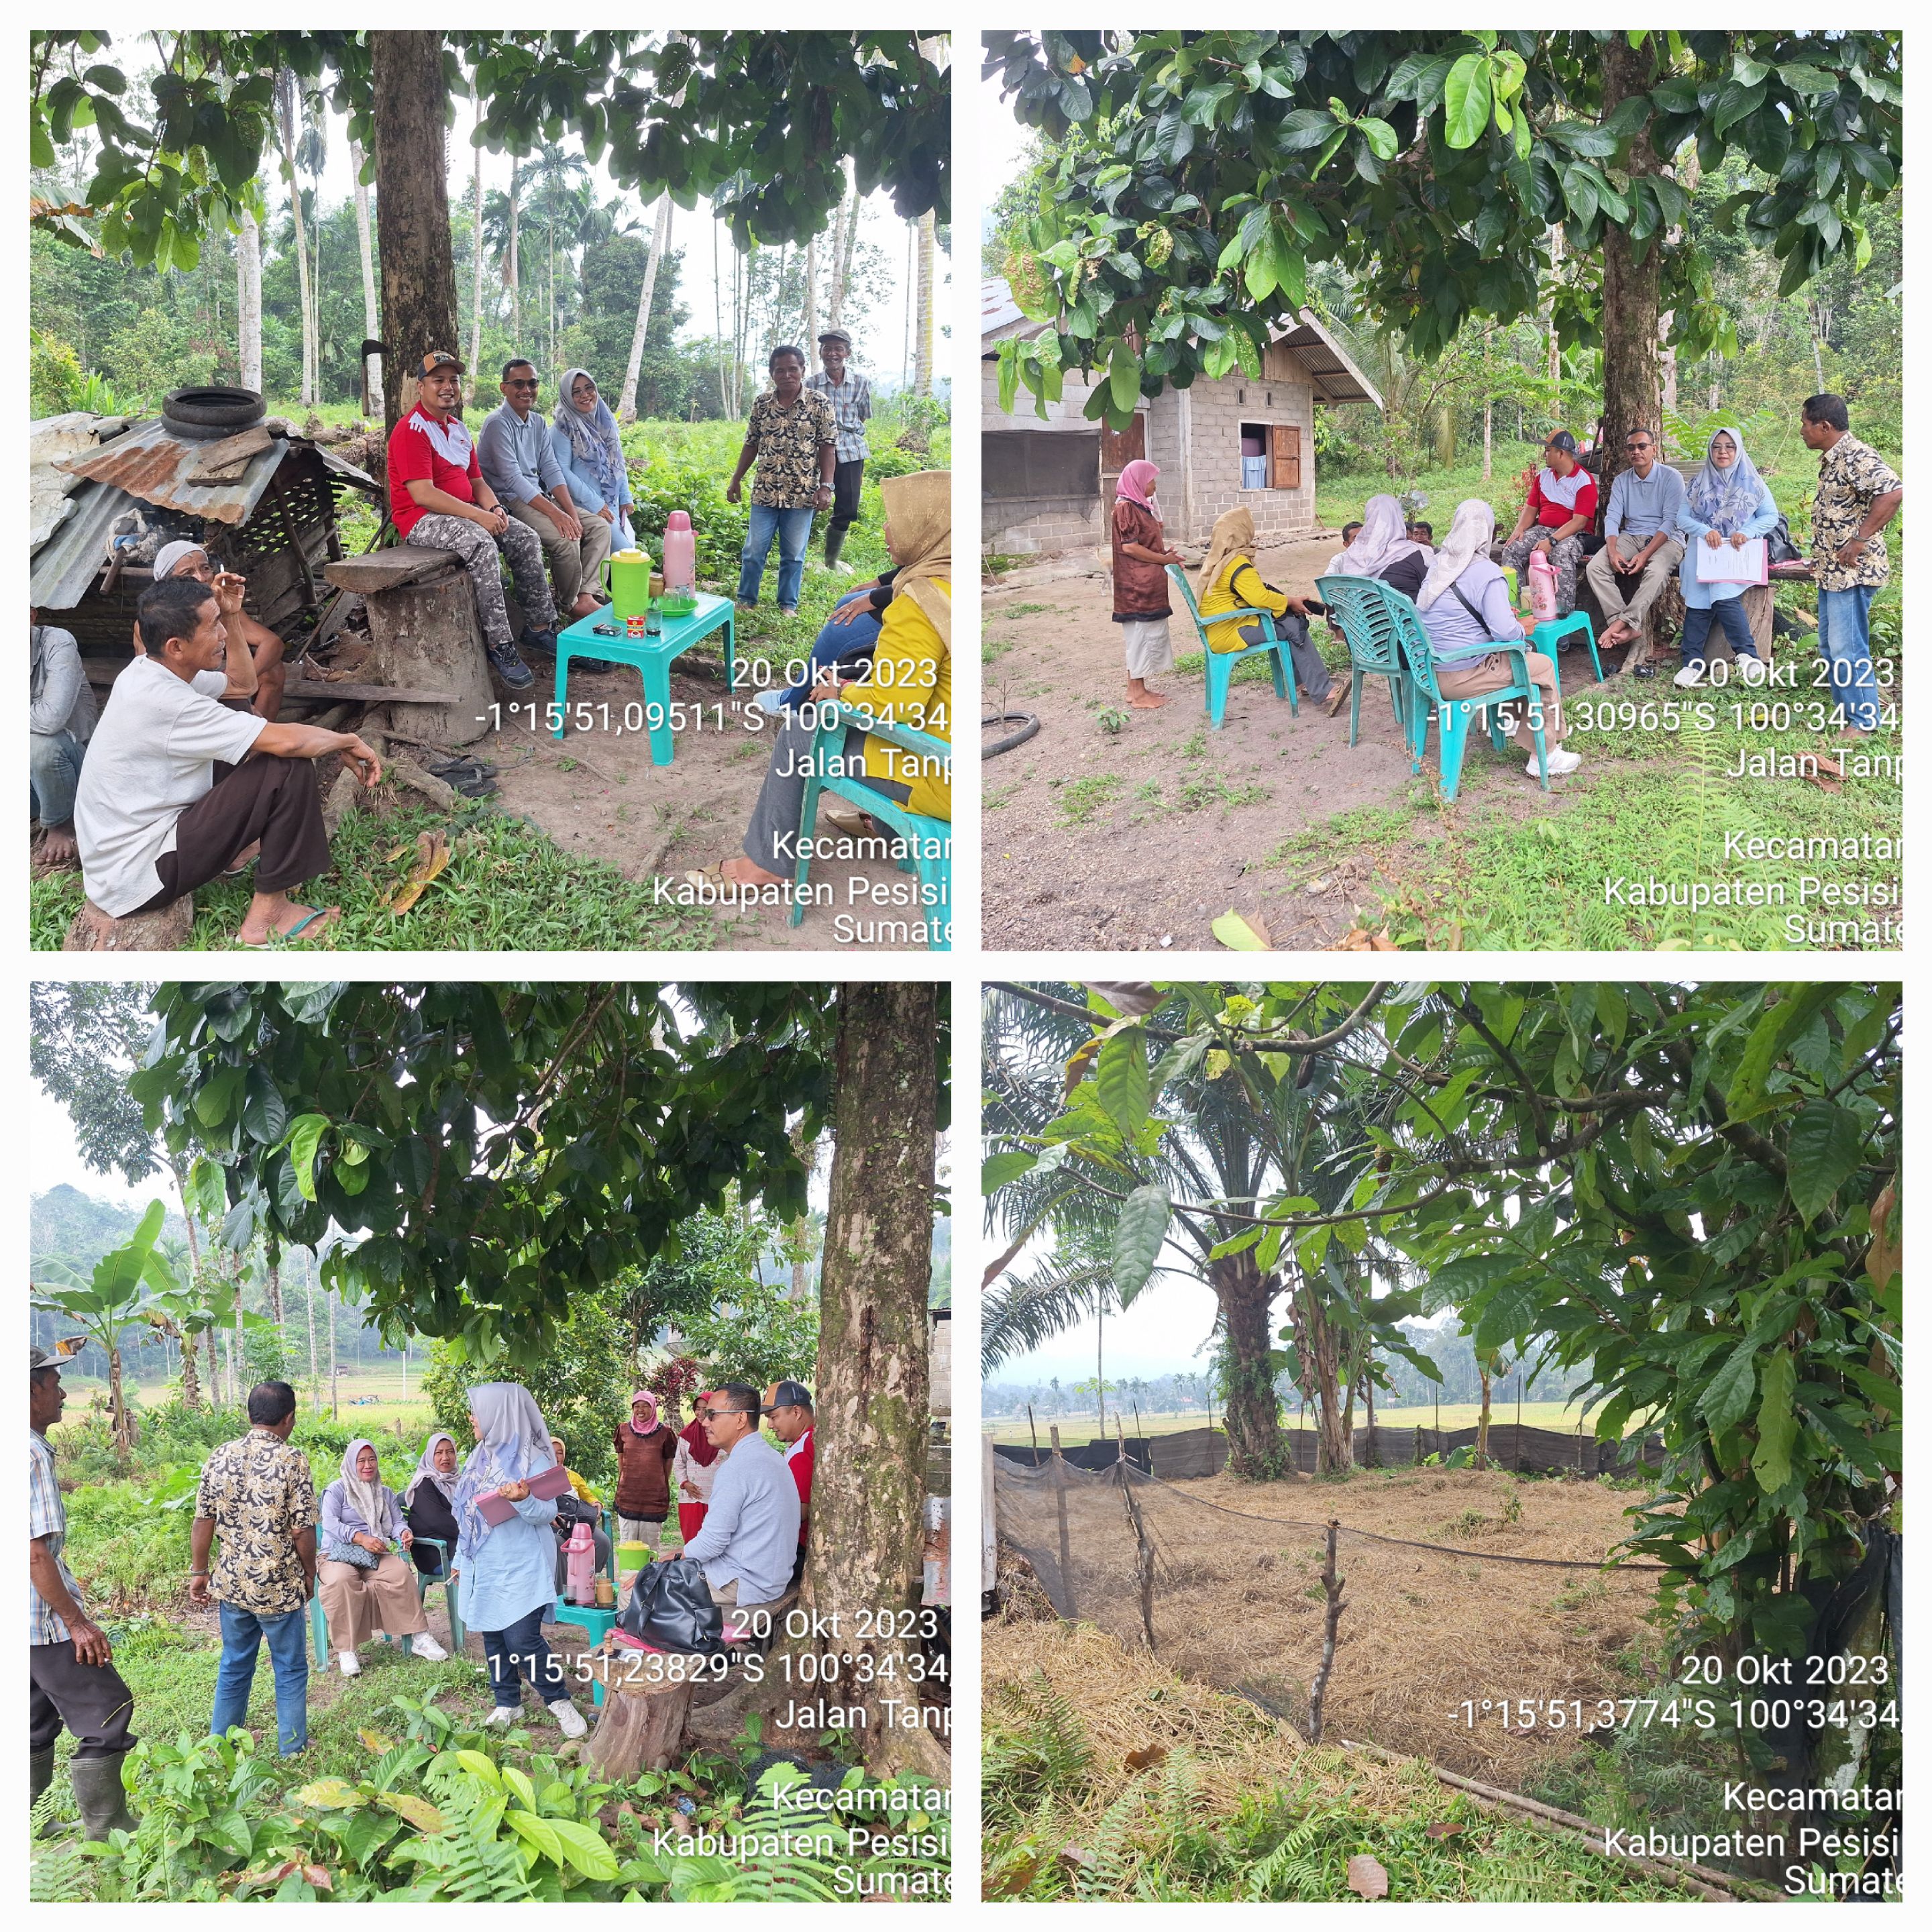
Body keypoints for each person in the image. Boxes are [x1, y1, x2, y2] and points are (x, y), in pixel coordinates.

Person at [72, 578, 382, 945]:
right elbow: (288, 743)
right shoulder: (166, 703)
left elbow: (241, 685)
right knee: (286, 765)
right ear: (176, 646)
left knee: (235, 706)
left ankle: (240, 848)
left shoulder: (148, 671)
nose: (221, 633)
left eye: (221, 621)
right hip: (138, 875)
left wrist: (233, 618)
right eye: (213, 626)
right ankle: (268, 917)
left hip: (124, 857)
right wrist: (346, 739)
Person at [698, 470, 949, 898]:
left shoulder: (919, 602)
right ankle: (887, 829)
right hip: (949, 749)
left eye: (897, 519)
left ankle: (767, 865)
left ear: (927, 528)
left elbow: (897, 703)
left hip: (940, 777)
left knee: (801, 731)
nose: (888, 529)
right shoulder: (950, 582)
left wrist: (841, 691)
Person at [386, 350, 557, 692]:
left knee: (525, 537)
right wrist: (480, 517)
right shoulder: (412, 430)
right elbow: (423, 494)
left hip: (465, 513)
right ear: (421, 387)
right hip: (423, 519)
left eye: (453, 380)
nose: (447, 387)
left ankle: (539, 628)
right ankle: (500, 644)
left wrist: (494, 509)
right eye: (438, 380)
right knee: (480, 542)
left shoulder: (459, 429)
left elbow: (478, 482)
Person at [31, 1346, 138, 1839]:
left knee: (31, 1718)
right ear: (31, 1391)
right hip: (40, 1617)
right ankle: (107, 1829)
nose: (63, 1393)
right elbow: (34, 1554)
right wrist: (76, 1622)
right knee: (107, 1709)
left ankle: (25, 1824)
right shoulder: (29, 1454)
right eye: (54, 1384)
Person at [189, 1381, 317, 1758]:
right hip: (279, 1587)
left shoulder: (219, 1456)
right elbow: (302, 1529)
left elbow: (203, 1521)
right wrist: (309, 1573)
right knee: (290, 1669)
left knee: (234, 1664)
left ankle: (220, 1746)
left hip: (232, 1586)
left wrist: (199, 1571)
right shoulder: (293, 1460)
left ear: (249, 1416)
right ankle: (292, 1749)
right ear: (290, 1418)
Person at [452, 1384, 586, 1736]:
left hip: (522, 1562)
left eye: (477, 1411)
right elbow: (467, 1516)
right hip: (485, 1562)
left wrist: (523, 1499)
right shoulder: (478, 1456)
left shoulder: (533, 1459)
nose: (472, 1418)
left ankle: (559, 1701)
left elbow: (548, 1514)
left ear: (499, 1414)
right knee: (493, 1634)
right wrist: (459, 1559)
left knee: (523, 1639)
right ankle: (507, 1702)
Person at [1415, 498, 1579, 781]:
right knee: (1542, 665)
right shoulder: (1487, 572)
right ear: (1488, 532)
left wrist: (1500, 613)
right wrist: (1521, 627)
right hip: (1465, 675)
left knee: (1515, 662)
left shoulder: (1439, 564)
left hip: (1430, 672)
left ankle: (1513, 724)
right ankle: (1546, 754)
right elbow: (1505, 634)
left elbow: (1457, 616)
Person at [1800, 392, 1902, 738]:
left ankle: (1864, 722)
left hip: (1854, 572)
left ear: (1824, 426)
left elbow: (1893, 492)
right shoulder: (1834, 459)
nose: (1802, 430)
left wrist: (1860, 539)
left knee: (1848, 647)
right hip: (1833, 572)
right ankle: (1851, 713)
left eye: (1805, 423)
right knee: (1832, 646)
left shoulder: (1856, 456)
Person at [478, 360, 607, 623]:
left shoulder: (537, 422)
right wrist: (558, 516)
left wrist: (570, 512)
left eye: (532, 383)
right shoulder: (497, 424)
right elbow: (513, 479)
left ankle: (586, 594)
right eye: (519, 384)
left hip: (536, 494)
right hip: (508, 500)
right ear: (504, 388)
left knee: (598, 527)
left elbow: (551, 470)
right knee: (565, 540)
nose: (527, 389)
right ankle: (569, 604)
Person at [317, 1439, 445, 1676]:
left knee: (399, 1572)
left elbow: (396, 1522)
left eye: (372, 1459)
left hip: (375, 1554)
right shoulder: (336, 1490)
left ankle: (419, 1637)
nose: (368, 1465)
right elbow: (331, 1524)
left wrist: (403, 1533)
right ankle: (347, 1649)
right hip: (338, 1556)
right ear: (350, 1463)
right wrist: (360, 1538)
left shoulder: (383, 1492)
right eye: (361, 1461)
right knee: (341, 1582)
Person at [727, 345, 837, 616]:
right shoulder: (762, 404)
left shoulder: (820, 403)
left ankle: (788, 604)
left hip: (802, 493)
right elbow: (751, 444)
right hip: (765, 491)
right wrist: (736, 479)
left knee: (794, 554)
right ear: (772, 373)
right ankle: (747, 600)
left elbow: (828, 447)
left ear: (802, 370)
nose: (787, 374)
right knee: (754, 550)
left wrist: (826, 486)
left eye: (792, 369)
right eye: (780, 370)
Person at [1195, 506, 1339, 712]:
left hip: (1219, 628)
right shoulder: (1238, 563)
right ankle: (1323, 690)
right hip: (1229, 631)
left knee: (1287, 622)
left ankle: (1303, 682)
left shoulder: (1219, 559)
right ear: (1244, 531)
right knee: (1293, 625)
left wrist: (1288, 601)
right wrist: (1290, 602)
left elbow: (1254, 595)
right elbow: (1259, 597)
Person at [1672, 428, 1778, 690]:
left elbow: (1770, 516)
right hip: (1704, 551)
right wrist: (1705, 531)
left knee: (1724, 596)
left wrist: (1746, 532)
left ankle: (1748, 656)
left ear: (1738, 449)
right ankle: (1692, 664)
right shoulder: (1698, 483)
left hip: (1736, 553)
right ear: (1710, 450)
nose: (1723, 452)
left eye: (1729, 447)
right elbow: (1682, 518)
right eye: (1717, 447)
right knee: (1697, 605)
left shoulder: (1753, 482)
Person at [679, 1385, 800, 1607]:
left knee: (639, 1589)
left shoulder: (737, 1468)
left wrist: (676, 1557)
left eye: (712, 1415)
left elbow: (711, 1544)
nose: (705, 1423)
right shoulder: (771, 1458)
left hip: (743, 1582)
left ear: (741, 1419)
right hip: (772, 1579)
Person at [144, 539, 288, 720]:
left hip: (212, 680)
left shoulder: (214, 604)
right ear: (168, 582)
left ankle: (260, 743)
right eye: (188, 573)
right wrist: (233, 692)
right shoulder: (155, 619)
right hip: (179, 696)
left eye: (205, 568)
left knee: (272, 670)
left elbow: (272, 643)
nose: (201, 578)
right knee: (239, 705)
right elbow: (160, 683)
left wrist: (242, 680)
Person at [1585, 427, 1688, 664]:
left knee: (1656, 571)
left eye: (1642, 446)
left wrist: (1644, 555)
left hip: (1668, 538)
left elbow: (1671, 521)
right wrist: (1612, 550)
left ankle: (1624, 623)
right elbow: (1612, 517)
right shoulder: (1623, 480)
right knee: (1595, 568)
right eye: (1631, 447)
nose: (1636, 451)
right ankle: (1621, 624)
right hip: (1631, 535)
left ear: (1654, 449)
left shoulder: (1671, 477)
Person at [1110, 459, 1183, 709]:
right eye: (1151, 480)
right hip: (1136, 587)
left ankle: (1136, 690)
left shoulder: (1137, 506)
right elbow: (1130, 547)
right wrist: (1163, 559)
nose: (1154, 485)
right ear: (1139, 482)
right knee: (1140, 637)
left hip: (1144, 583)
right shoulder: (1126, 508)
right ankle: (1138, 695)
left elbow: (1144, 543)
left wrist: (1167, 556)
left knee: (1139, 638)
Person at [1499, 431, 1598, 617]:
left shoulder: (1584, 480)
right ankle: (1519, 612)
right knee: (1512, 550)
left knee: (1561, 552)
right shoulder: (1543, 477)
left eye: (1548, 450)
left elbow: (1579, 522)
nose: (1545, 454)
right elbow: (1530, 509)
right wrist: (1519, 529)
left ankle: (1562, 616)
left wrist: (1552, 541)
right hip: (1543, 530)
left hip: (1575, 534)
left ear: (1561, 453)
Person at [549, 368, 638, 558]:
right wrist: (595, 503)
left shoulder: (604, 418)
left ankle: (610, 588)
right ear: (566, 395)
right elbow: (561, 472)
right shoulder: (563, 426)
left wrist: (625, 496)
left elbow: (617, 460)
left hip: (610, 502)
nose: (585, 395)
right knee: (626, 553)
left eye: (589, 388)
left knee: (631, 545)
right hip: (584, 504)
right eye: (576, 392)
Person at [31, 616, 95, 867]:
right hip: (32, 782)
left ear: (32, 615)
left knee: (42, 747)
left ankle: (62, 824)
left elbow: (51, 720)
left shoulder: (57, 643)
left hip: (76, 771)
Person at [806, 328, 873, 571]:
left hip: (852, 450)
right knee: (808, 501)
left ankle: (831, 561)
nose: (832, 353)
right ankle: (798, 556)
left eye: (838, 348)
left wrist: (842, 434)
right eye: (827, 348)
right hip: (817, 451)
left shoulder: (862, 383)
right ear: (822, 352)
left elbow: (863, 417)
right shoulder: (810, 384)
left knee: (847, 505)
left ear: (848, 353)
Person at [1324, 494, 1432, 600]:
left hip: (1363, 615)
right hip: (1405, 615)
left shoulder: (1353, 553)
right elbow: (1432, 586)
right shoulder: (1416, 552)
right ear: (1398, 517)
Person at [763, 1381, 814, 1590]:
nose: (770, 1425)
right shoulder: (806, 1441)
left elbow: (799, 1511)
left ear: (796, 1412)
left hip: (799, 1549)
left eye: (774, 1417)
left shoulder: (804, 1449)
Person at [610, 1391, 676, 1552]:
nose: (640, 1410)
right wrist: (626, 1479)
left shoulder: (665, 1433)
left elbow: (668, 1462)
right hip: (628, 1498)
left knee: (650, 1550)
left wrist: (658, 1482)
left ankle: (650, 1578)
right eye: (637, 1406)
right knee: (628, 1547)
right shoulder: (623, 1429)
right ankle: (629, 1579)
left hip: (653, 1500)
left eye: (645, 1406)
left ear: (653, 1408)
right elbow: (621, 1458)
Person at [547, 1434, 611, 1593]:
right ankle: (561, 1595)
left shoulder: (573, 1476)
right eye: (552, 1452)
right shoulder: (540, 1476)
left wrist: (596, 1504)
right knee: (557, 1544)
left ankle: (586, 1580)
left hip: (576, 1525)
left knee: (602, 1541)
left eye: (560, 1452)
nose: (556, 1456)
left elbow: (588, 1497)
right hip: (553, 1526)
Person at [400, 1430, 462, 1582]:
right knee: (481, 1565)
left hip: (459, 1545)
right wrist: (473, 1534)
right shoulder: (423, 1485)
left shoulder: (460, 1481)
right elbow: (439, 1521)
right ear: (430, 1456)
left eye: (450, 1452)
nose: (445, 1458)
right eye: (439, 1453)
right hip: (435, 1553)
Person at [674, 1391, 720, 1547]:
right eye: (697, 1408)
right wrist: (685, 1483)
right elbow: (679, 1463)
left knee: (716, 1543)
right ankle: (693, 1572)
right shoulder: (686, 1435)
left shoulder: (723, 1433)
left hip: (717, 1497)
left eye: (705, 1408)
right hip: (690, 1498)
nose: (700, 1413)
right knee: (692, 1543)